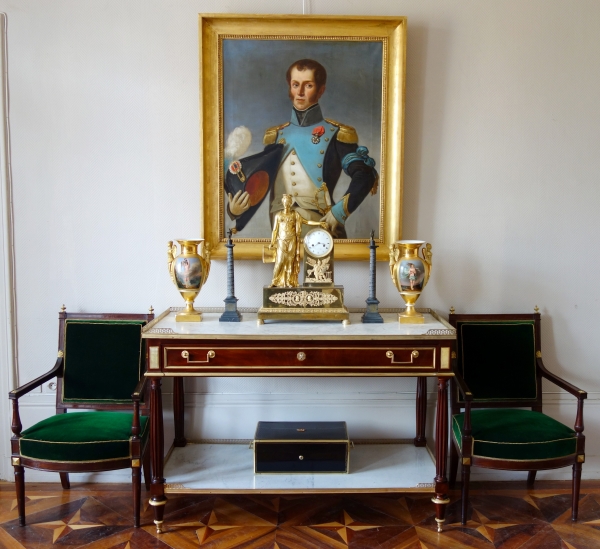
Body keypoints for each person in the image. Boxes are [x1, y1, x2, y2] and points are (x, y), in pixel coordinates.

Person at [228, 58, 378, 238]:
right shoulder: (275, 136)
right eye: (295, 85)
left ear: (320, 90)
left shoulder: (336, 134)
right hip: (280, 229)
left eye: (308, 86)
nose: (299, 92)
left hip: (320, 228)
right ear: (289, 88)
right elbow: (259, 184)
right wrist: (236, 211)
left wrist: (339, 212)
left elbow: (364, 174)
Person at [268, 194, 327, 288]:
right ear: (283, 202)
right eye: (285, 201)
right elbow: (275, 230)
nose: (286, 204)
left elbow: (306, 221)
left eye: (288, 202)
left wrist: (320, 223)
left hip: (292, 240)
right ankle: (275, 281)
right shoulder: (278, 215)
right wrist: (272, 242)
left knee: (290, 262)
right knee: (279, 261)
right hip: (282, 241)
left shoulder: (295, 214)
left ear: (290, 203)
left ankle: (288, 282)